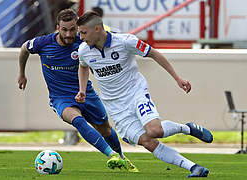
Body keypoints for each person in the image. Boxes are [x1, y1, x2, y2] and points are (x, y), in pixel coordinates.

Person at [75, 11, 213, 178]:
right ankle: (194, 168)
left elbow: (154, 53)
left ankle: (187, 128)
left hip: (135, 93)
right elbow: (83, 66)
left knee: (154, 130)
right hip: (115, 106)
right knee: (148, 141)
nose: (80, 37)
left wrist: (177, 78)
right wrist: (82, 90)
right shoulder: (84, 51)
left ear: (97, 28)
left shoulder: (126, 42)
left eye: (83, 32)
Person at [18, 9, 138, 172]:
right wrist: (22, 73)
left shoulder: (84, 44)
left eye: (72, 29)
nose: (68, 34)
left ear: (78, 28)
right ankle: (112, 155)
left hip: (86, 93)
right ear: (57, 27)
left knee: (106, 129)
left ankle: (122, 158)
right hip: (61, 98)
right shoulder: (43, 43)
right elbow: (25, 48)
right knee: (77, 120)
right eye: (64, 29)